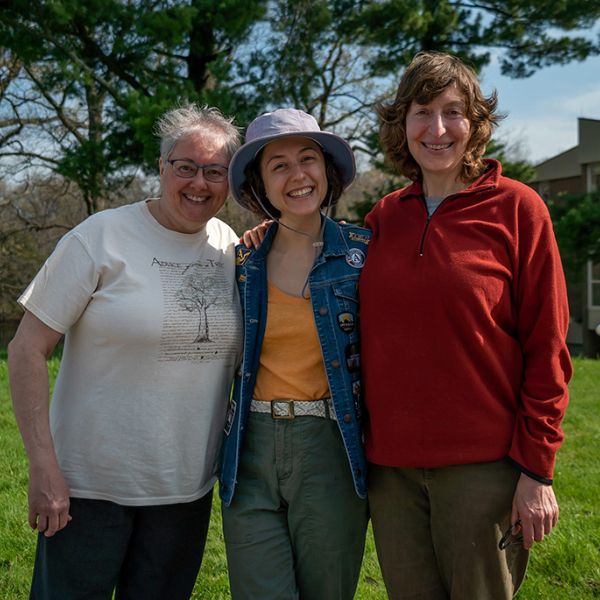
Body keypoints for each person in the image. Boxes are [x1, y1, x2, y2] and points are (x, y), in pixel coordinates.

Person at [7, 104, 243, 600]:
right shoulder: (100, 237)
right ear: (161, 168)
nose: (198, 183)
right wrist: (43, 467)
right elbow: (27, 348)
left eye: (215, 171)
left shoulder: (231, 248)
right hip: (86, 491)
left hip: (185, 494)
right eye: (185, 167)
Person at [360, 52, 572, 599]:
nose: (437, 129)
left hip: (483, 471)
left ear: (475, 123)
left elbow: (548, 348)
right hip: (391, 472)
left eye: (453, 112)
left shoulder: (519, 209)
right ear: (400, 123)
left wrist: (537, 471)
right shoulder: (384, 217)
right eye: (422, 111)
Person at [219, 108, 370, 600]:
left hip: (330, 445)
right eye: (278, 165)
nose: (297, 175)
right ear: (262, 183)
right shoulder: (244, 261)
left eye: (308, 158)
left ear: (327, 170)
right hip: (250, 446)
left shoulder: (363, 254)